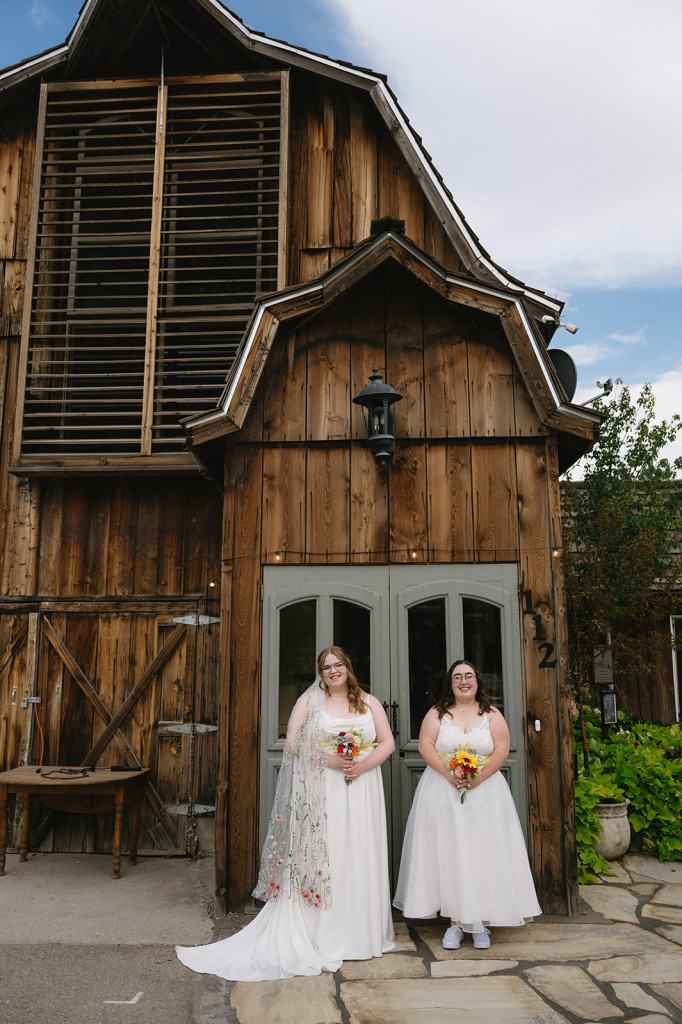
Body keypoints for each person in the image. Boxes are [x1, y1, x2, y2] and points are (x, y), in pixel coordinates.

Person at [176, 645, 395, 980]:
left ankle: (361, 935)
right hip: (324, 790)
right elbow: (292, 743)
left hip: (363, 788)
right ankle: (324, 934)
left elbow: (387, 742)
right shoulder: (309, 702)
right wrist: (330, 760)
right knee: (331, 855)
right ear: (320, 673)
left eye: (338, 665)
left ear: (348, 667)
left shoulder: (369, 702)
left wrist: (362, 765)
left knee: (359, 854)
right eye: (326, 667)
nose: (333, 671)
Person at [393, 659, 541, 949]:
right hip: (443, 791)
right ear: (450, 683)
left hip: (485, 793)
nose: (464, 681)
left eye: (469, 676)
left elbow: (500, 748)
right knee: (450, 852)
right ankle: (456, 923)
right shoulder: (438, 713)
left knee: (482, 851)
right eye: (458, 677)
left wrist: (479, 777)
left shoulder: (492, 714)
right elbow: (425, 744)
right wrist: (449, 773)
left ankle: (481, 922)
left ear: (477, 682)